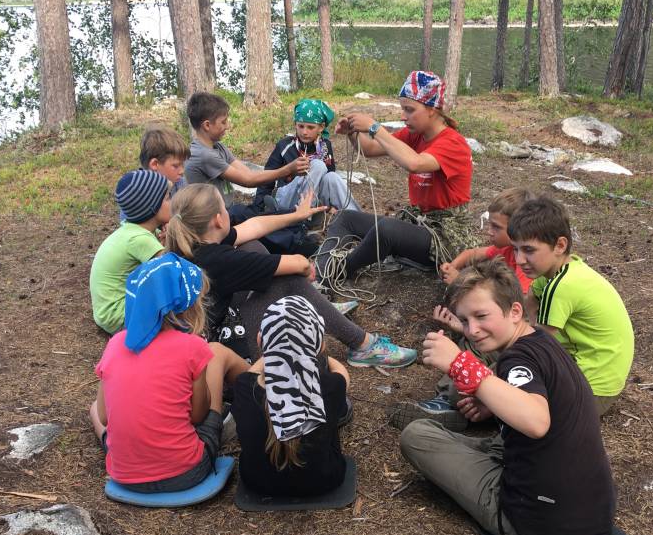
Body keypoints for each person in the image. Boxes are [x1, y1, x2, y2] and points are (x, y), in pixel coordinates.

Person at [399, 260, 617, 535]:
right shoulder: (542, 341)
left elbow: (536, 422)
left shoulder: (516, 359)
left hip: (535, 522)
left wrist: (460, 365)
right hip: (595, 514)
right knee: (471, 436)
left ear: (515, 311)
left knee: (418, 435)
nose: (472, 329)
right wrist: (492, 406)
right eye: (464, 320)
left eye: (481, 316)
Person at [165, 182, 417, 368]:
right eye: (225, 207)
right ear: (219, 220)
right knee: (288, 279)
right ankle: (362, 345)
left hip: (206, 335)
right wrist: (304, 267)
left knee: (252, 246)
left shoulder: (191, 245)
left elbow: (253, 227)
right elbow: (296, 264)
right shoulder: (220, 261)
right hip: (220, 355)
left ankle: (318, 307)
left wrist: (296, 216)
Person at [89, 253, 248, 493]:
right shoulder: (192, 347)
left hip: (124, 474)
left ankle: (130, 450)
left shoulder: (115, 344)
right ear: (190, 306)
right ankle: (258, 385)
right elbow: (198, 416)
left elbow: (103, 417)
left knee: (94, 408)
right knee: (217, 353)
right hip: (187, 472)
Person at [389, 187, 536, 429]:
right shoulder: (507, 251)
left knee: (474, 344)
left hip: (516, 351)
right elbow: (472, 253)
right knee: (473, 339)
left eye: (496, 227)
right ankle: (455, 401)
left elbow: (512, 316)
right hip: (510, 342)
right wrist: (453, 266)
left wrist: (460, 283)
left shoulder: (526, 269)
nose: (489, 231)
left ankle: (449, 401)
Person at [319, 70, 474, 280]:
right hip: (419, 224)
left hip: (445, 236)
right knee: (345, 218)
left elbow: (415, 163)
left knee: (387, 229)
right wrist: (353, 133)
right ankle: (321, 267)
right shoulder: (415, 135)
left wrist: (375, 127)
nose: (403, 116)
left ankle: (336, 272)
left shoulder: (453, 143)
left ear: (431, 109)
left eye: (409, 110)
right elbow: (370, 149)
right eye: (403, 109)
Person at [509, 195, 634, 416]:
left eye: (528, 250)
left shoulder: (561, 287)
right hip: (604, 381)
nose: (519, 260)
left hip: (591, 391)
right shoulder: (565, 270)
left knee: (511, 391)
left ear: (560, 245)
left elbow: (537, 346)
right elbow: (530, 300)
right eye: (515, 249)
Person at [232, 296, 351, 497]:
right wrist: (308, 353)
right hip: (324, 480)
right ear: (320, 344)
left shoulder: (244, 386)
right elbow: (343, 374)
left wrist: (274, 353)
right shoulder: (331, 386)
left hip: (256, 482)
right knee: (340, 405)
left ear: (260, 340)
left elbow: (252, 375)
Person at [184, 91, 310, 207]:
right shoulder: (204, 155)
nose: (227, 126)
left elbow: (249, 174)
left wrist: (287, 170)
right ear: (207, 125)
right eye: (223, 122)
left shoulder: (218, 147)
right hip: (208, 219)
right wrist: (288, 169)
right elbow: (248, 181)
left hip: (223, 212)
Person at [89, 169, 170, 334]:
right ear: (153, 207)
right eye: (168, 198)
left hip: (107, 312)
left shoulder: (132, 230)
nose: (173, 202)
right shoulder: (140, 239)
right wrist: (176, 237)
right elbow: (173, 270)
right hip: (118, 315)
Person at [262, 98, 361, 214]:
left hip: (314, 200)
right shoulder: (285, 145)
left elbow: (328, 180)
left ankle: (357, 218)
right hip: (286, 200)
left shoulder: (325, 146)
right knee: (318, 165)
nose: (304, 132)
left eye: (310, 127)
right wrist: (257, 207)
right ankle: (302, 216)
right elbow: (266, 177)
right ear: (295, 124)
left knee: (332, 177)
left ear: (321, 127)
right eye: (301, 126)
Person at [139, 124, 189, 197]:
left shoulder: (179, 183)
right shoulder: (138, 193)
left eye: (183, 164)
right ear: (154, 164)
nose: (182, 171)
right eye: (176, 166)